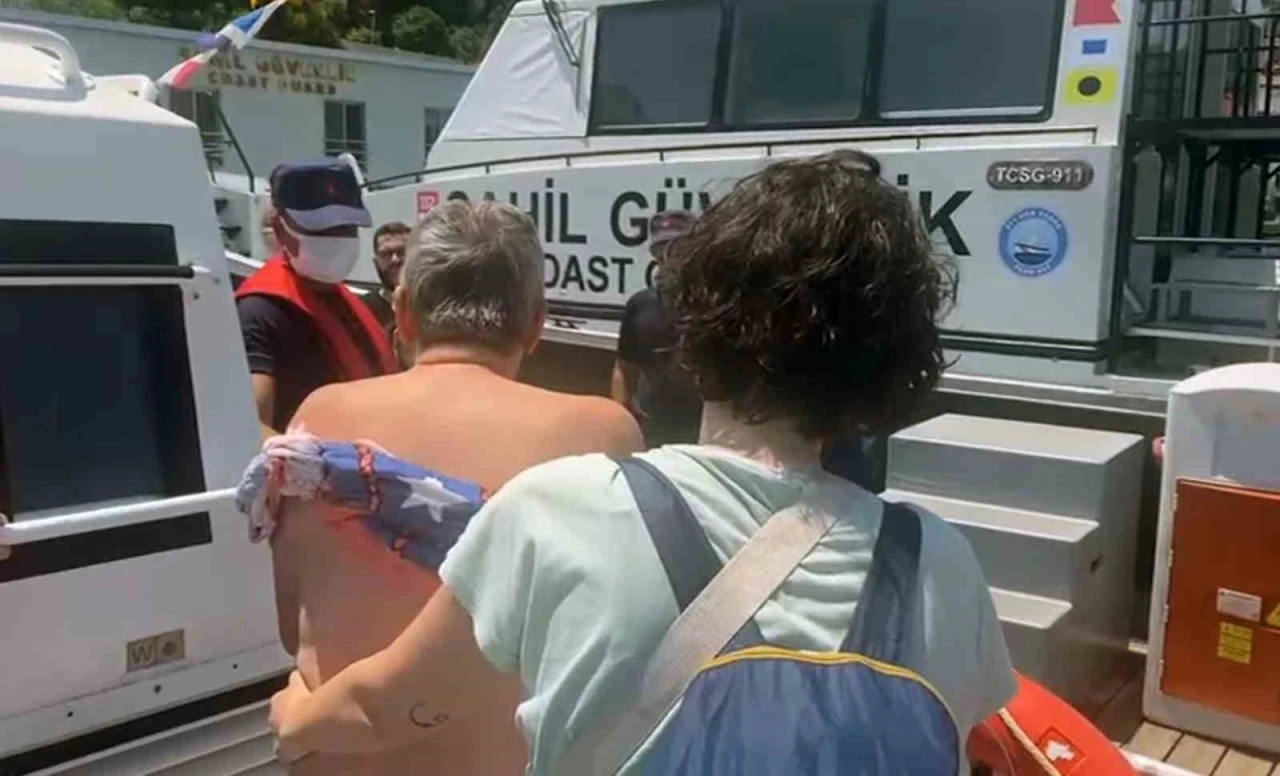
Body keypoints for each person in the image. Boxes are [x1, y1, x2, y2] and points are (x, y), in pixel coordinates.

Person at [267, 151, 1015, 774]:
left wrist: (294, 718)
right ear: (894, 364)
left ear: (696, 320)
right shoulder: (941, 564)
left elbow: (390, 706)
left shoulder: (564, 509)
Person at [265, 199, 643, 775]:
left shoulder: (320, 420)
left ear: (403, 311)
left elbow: (289, 624)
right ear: (536, 323)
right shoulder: (600, 432)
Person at [237, 160, 398, 433]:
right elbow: (252, 427)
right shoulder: (259, 311)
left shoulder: (348, 300)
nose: (336, 239)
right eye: (321, 230)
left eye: (347, 229)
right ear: (280, 229)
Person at [611, 211, 704, 447]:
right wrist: (621, 416)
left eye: (679, 247)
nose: (669, 255)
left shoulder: (716, 304)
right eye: (661, 249)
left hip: (705, 431)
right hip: (654, 426)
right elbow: (624, 367)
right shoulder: (641, 304)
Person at [362, 221, 411, 334]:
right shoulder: (361, 310)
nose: (395, 259)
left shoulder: (434, 307)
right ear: (376, 262)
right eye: (386, 254)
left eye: (402, 252)